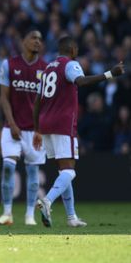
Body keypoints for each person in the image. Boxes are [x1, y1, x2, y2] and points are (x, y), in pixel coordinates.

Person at [33, 35, 125, 227]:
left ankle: (71, 217)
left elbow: (36, 102)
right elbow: (81, 82)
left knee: (63, 171)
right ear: (73, 49)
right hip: (63, 123)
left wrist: (37, 129)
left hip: (45, 123)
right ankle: (47, 200)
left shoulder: (47, 68)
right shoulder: (70, 64)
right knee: (70, 172)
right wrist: (110, 74)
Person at [0, 30, 47, 226]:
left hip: (35, 131)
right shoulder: (9, 65)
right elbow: (4, 98)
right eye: (33, 38)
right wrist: (13, 124)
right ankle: (7, 213)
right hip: (12, 128)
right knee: (8, 167)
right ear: (23, 41)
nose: (37, 42)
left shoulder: (46, 69)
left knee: (33, 172)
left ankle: (29, 215)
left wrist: (41, 130)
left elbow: (47, 103)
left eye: (40, 39)